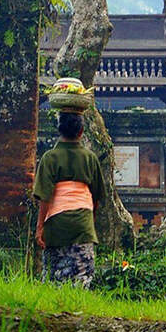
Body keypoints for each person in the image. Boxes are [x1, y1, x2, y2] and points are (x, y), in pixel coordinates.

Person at [33, 110, 105, 288]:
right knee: (82, 277)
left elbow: (44, 197)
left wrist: (40, 227)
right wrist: (89, 220)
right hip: (83, 224)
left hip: (56, 223)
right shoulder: (90, 158)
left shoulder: (49, 158)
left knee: (54, 278)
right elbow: (96, 197)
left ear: (59, 130)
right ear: (81, 131)